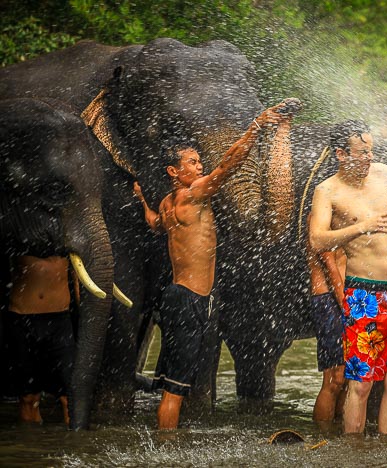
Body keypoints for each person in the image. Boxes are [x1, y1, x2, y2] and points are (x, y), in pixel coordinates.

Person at [133, 98, 301, 430]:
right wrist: (255, 127)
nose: (199, 167)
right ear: (174, 172)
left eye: (198, 162)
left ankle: (172, 440)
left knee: (179, 381)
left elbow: (154, 223)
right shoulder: (191, 195)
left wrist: (140, 198)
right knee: (175, 390)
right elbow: (228, 166)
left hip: (188, 297)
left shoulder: (166, 204)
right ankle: (165, 451)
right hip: (188, 299)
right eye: (192, 163)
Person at [307, 120, 387, 435]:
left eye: (370, 151)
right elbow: (317, 240)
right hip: (365, 294)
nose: (368, 158)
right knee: (361, 384)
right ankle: (355, 452)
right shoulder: (327, 191)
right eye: (361, 153)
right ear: (340, 153)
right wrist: (362, 226)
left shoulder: (379, 173)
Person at [3, 255, 74, 424]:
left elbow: (77, 279)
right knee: (28, 398)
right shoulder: (18, 231)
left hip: (60, 322)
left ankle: (75, 447)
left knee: (71, 396)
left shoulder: (69, 234)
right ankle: (31, 444)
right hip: (22, 320)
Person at [308, 237, 347, 424]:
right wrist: (347, 307)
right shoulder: (319, 217)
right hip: (328, 300)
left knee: (347, 378)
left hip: (345, 298)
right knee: (334, 379)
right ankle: (321, 436)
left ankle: (337, 432)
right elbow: (330, 265)